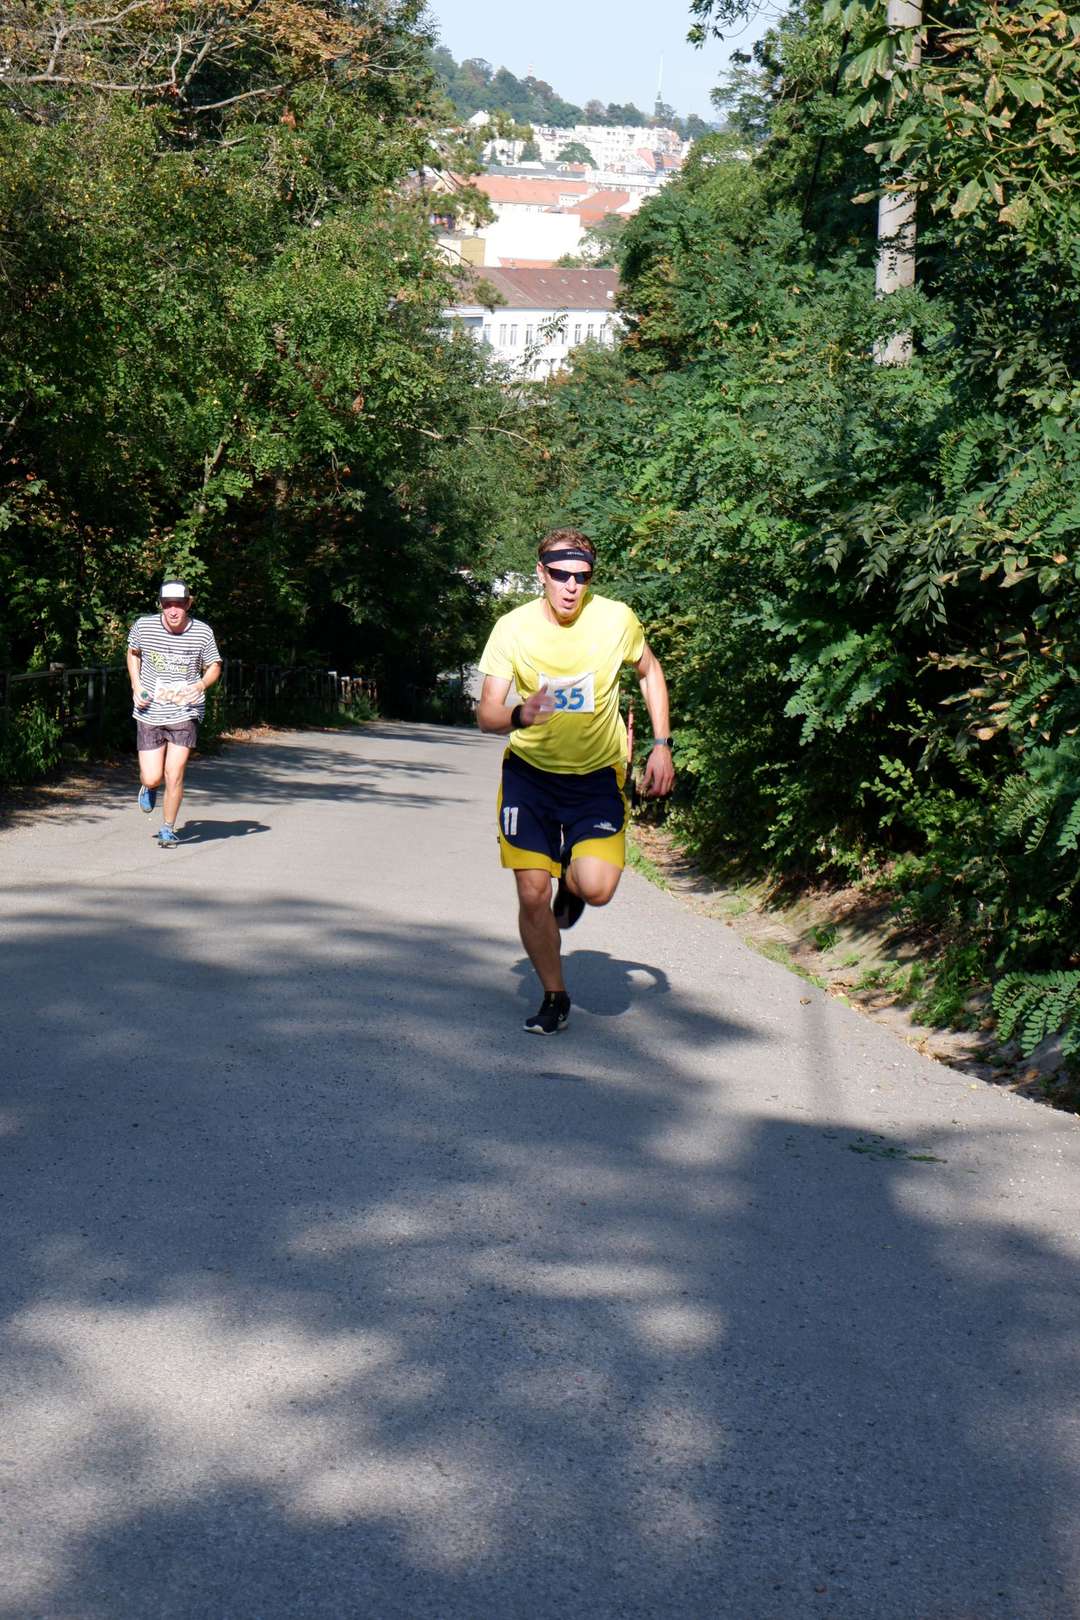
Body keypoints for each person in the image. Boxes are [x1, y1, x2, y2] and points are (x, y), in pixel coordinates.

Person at [476, 528, 675, 1034]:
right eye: (560, 575)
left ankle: (573, 882)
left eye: (581, 577)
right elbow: (486, 713)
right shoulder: (512, 629)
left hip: (595, 779)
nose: (570, 587)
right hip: (530, 777)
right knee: (530, 893)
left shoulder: (616, 620)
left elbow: (650, 672)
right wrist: (520, 714)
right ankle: (554, 996)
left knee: (597, 889)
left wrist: (661, 744)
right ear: (541, 573)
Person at [126, 580, 222, 847]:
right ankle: (149, 786)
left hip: (185, 711)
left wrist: (200, 685)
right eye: (167, 604)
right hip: (150, 710)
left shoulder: (202, 632)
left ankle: (168, 828)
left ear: (188, 604)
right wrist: (136, 685)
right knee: (152, 776)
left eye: (178, 604)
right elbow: (133, 652)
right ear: (161, 605)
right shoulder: (144, 626)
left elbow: (214, 665)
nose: (173, 610)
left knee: (175, 772)